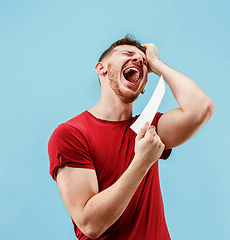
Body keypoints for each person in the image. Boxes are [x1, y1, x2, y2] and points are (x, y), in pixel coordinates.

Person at [48, 34, 214, 240]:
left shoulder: (148, 128)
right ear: (101, 68)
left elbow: (201, 109)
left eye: (143, 61)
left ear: (143, 87)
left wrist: (157, 64)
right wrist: (142, 162)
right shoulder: (71, 134)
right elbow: (90, 224)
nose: (137, 60)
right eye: (127, 54)